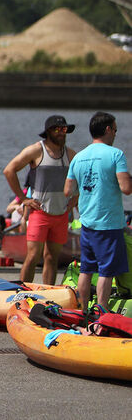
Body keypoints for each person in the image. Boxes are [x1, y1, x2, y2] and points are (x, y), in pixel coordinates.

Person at [64, 112, 131, 309]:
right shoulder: (115, 154)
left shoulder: (79, 157)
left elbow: (67, 190)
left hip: (87, 223)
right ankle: (102, 313)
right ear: (108, 129)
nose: (116, 134)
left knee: (86, 269)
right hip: (109, 224)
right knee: (106, 273)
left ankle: (84, 311)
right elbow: (126, 188)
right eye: (116, 130)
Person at [3, 115, 78, 285]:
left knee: (52, 258)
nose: (62, 133)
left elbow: (83, 179)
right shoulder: (36, 150)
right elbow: (9, 170)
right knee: (32, 256)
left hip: (61, 214)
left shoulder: (71, 154)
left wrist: (75, 200)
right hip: (40, 212)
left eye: (64, 129)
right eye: (58, 129)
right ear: (48, 132)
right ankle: (22, 293)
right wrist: (23, 199)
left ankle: (48, 295)